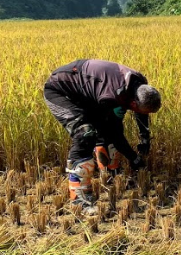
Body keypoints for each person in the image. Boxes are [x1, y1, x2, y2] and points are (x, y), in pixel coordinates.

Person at [43, 59, 161, 211]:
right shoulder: (110, 96)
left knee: (106, 130)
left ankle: (110, 175)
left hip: (87, 88)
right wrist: (134, 158)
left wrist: (145, 137)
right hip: (60, 90)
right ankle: (79, 198)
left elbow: (142, 112)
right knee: (86, 134)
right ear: (133, 104)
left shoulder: (140, 85)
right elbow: (115, 134)